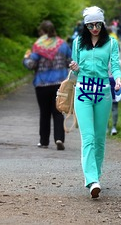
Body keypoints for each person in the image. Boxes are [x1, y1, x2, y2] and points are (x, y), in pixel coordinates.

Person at [69, 6, 121, 198]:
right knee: (88, 137)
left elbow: (115, 65)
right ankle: (91, 180)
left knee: (100, 138)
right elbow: (75, 72)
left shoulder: (111, 43)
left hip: (103, 94)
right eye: (90, 25)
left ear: (103, 23)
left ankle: (96, 176)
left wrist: (117, 79)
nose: (94, 28)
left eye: (98, 24)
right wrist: (74, 67)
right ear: (85, 25)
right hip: (82, 93)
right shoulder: (78, 43)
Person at [23, 20, 72, 150]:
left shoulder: (38, 46)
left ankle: (44, 141)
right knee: (58, 112)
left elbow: (31, 65)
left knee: (44, 113)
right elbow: (70, 62)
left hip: (42, 84)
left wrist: (26, 58)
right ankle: (59, 138)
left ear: (42, 32)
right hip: (59, 84)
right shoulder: (63, 45)